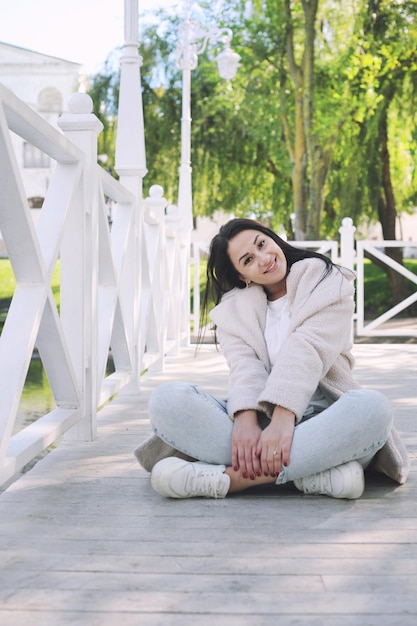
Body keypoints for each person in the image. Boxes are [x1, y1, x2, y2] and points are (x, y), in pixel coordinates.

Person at [135, 218, 409, 499]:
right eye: (248, 259)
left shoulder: (326, 280)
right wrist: (245, 418)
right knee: (167, 400)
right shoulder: (236, 311)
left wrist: (283, 418)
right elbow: (245, 366)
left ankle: (233, 479)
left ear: (273, 238)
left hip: (327, 422)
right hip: (264, 425)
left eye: (262, 244)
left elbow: (308, 347)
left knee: (373, 409)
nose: (264, 258)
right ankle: (314, 473)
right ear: (244, 276)